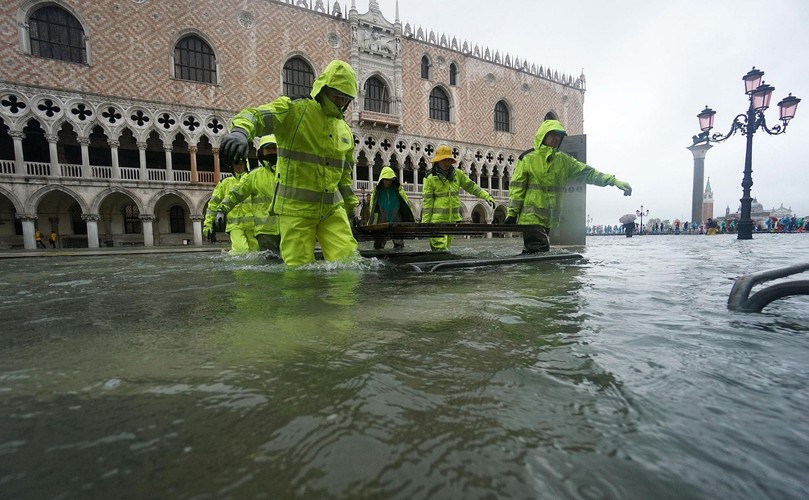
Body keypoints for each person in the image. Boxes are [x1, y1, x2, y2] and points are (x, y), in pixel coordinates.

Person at [219, 59, 359, 266]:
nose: (340, 102)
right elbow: (257, 115)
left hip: (331, 209)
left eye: (345, 98)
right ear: (323, 88)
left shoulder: (344, 130)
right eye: (336, 95)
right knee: (298, 270)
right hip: (296, 210)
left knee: (349, 263)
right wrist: (240, 131)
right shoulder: (295, 110)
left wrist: (350, 210)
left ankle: (345, 299)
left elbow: (344, 178)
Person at [505, 119, 632, 253]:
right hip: (530, 218)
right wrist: (512, 213)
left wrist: (614, 181)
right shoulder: (527, 158)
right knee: (540, 251)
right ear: (543, 135)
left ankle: (525, 272)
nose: (556, 138)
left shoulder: (564, 160)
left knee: (535, 253)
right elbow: (517, 188)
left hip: (548, 220)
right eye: (552, 134)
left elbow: (589, 173)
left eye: (558, 135)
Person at [421, 144, 495, 251]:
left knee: (446, 250)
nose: (447, 163)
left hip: (452, 221)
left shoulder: (457, 174)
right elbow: (427, 202)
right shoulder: (430, 178)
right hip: (436, 222)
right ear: (438, 161)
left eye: (448, 160)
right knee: (440, 251)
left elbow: (472, 187)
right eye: (444, 160)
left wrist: (486, 196)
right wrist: (425, 224)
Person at [216, 135, 280, 255]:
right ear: (261, 152)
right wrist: (222, 210)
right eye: (268, 149)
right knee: (269, 264)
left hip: (288, 227)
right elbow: (235, 194)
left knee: (291, 261)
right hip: (265, 231)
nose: (271, 152)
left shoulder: (289, 173)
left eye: (274, 148)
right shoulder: (254, 175)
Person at [203, 159, 258, 254]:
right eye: (235, 164)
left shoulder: (253, 180)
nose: (238, 166)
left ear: (246, 164)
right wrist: (207, 225)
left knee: (256, 253)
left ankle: (228, 256)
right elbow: (213, 205)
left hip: (253, 226)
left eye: (241, 163)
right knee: (241, 251)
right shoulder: (225, 183)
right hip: (235, 225)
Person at [368, 166, 416, 249]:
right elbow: (373, 207)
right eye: (386, 180)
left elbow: (406, 203)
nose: (388, 182)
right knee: (379, 244)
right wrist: (372, 222)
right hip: (382, 220)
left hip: (396, 219)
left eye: (390, 180)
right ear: (382, 180)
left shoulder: (397, 190)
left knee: (399, 243)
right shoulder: (377, 191)